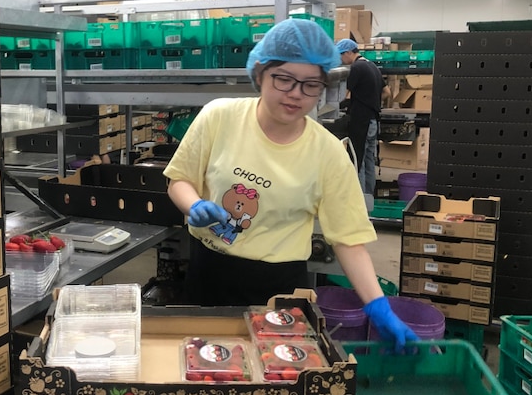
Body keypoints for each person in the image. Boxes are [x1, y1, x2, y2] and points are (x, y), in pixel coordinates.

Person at [163, 19, 417, 352]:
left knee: (274, 385)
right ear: (259, 73)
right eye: (283, 79)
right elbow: (180, 179)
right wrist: (193, 204)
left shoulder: (327, 153)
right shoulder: (218, 117)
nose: (296, 94)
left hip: (278, 290)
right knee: (204, 371)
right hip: (208, 273)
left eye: (311, 85)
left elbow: (349, 239)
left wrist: (378, 306)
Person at [336, 38, 389, 197]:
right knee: (369, 161)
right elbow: (387, 93)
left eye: (341, 56)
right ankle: (369, 198)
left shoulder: (356, 68)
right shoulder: (372, 66)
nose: (341, 60)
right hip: (374, 120)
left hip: (362, 122)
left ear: (348, 53)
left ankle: (358, 199)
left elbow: (342, 94)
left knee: (357, 160)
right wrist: (372, 100)